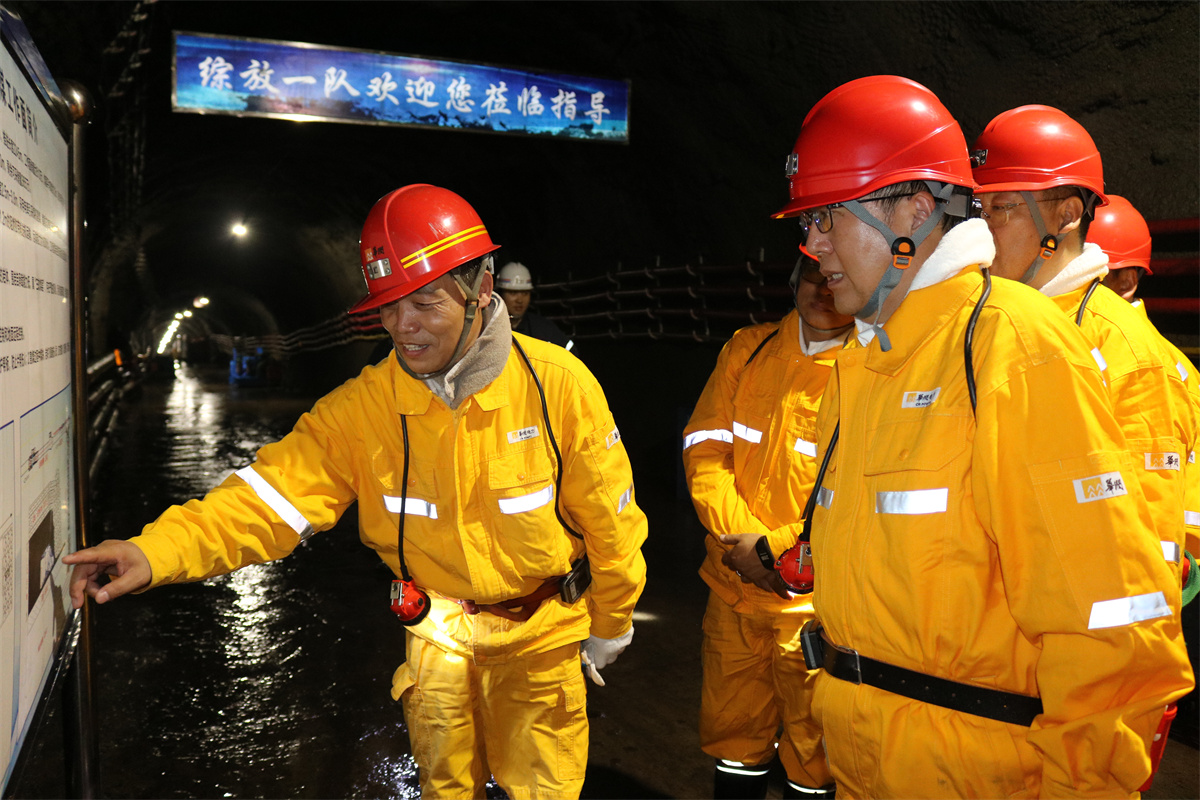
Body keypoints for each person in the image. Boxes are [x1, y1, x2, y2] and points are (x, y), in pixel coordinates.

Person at [64, 184, 648, 799]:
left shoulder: (558, 387)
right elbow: (264, 500)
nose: (403, 327)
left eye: (424, 302)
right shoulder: (363, 410)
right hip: (439, 642)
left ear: (481, 287)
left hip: (542, 643)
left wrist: (611, 620)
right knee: (446, 790)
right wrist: (153, 551)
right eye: (389, 307)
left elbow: (610, 520)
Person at [730, 75, 1192, 798]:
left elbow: (1109, 626)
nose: (811, 245)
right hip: (863, 764)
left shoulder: (1011, 347)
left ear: (914, 210)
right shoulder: (866, 365)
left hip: (976, 774)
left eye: (826, 218)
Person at [972, 107, 1194, 598]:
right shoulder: (978, 325)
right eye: (978, 210)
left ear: (1068, 215)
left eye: (1001, 208)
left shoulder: (1125, 351)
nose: (982, 230)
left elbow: (1146, 554)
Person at [682, 250, 853, 800]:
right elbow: (705, 449)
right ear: (794, 281)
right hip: (734, 592)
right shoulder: (748, 349)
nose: (821, 290)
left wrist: (771, 550)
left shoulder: (869, 367)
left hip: (815, 608)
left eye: (833, 278)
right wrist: (744, 546)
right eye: (811, 277)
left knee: (815, 756)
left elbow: (858, 490)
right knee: (734, 744)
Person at [1086, 193, 1199, 601]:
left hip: (1169, 579)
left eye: (1088, 276)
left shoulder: (1151, 365)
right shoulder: (1086, 347)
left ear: (1127, 281)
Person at [496, 261, 574, 350]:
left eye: (525, 293)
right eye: (513, 293)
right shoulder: (489, 327)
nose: (520, 300)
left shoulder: (543, 328)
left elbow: (570, 352)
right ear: (500, 294)